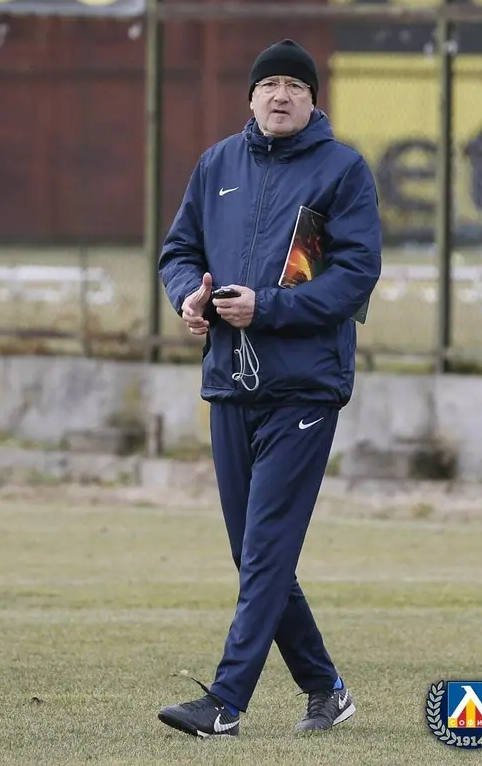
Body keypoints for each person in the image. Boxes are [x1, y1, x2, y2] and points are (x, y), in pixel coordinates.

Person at [156, 38, 382, 740]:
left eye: (296, 85)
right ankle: (326, 688)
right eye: (269, 84)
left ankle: (225, 702)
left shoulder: (343, 171)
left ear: (314, 100)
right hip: (231, 381)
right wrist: (187, 297)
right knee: (255, 555)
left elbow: (355, 276)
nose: (281, 95)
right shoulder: (217, 164)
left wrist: (270, 309)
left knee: (265, 552)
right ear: (251, 97)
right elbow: (179, 251)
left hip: (304, 389)